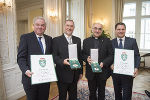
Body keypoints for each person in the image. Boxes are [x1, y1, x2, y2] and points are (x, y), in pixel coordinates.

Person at [17, 16, 52, 100]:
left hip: (45, 79)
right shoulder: (25, 38)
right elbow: (21, 58)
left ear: (45, 27)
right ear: (33, 25)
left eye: (42, 25)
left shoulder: (49, 39)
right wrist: (26, 70)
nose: (40, 27)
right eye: (37, 24)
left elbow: (51, 55)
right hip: (30, 79)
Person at [82, 23, 114, 100]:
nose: (97, 30)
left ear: (102, 30)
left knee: (101, 91)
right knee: (92, 92)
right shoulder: (86, 41)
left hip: (103, 71)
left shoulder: (107, 41)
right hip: (90, 72)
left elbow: (111, 55)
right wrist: (87, 58)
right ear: (92, 29)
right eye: (95, 28)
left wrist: (104, 63)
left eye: (100, 29)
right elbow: (82, 54)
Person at [52, 20, 83, 100]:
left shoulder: (78, 40)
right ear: (64, 26)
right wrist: (62, 61)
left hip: (75, 74)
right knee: (62, 96)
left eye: (71, 26)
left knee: (73, 96)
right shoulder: (56, 40)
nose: (69, 28)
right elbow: (54, 56)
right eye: (67, 25)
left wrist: (80, 72)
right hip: (62, 74)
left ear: (74, 28)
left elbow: (80, 56)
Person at [111, 22, 140, 100]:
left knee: (127, 94)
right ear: (115, 30)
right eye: (118, 29)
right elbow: (109, 56)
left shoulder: (132, 41)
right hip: (116, 73)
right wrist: (111, 64)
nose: (121, 31)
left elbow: (137, 55)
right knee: (117, 93)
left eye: (123, 29)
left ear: (125, 30)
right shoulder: (111, 42)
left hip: (128, 73)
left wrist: (136, 67)